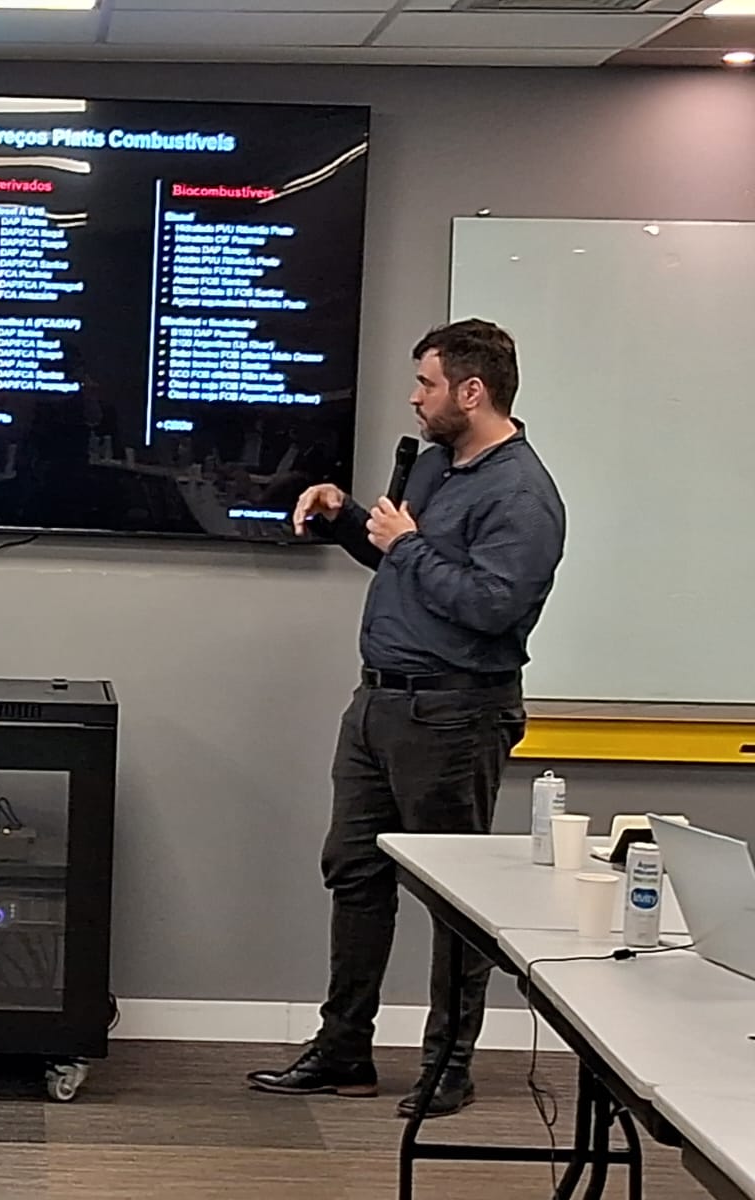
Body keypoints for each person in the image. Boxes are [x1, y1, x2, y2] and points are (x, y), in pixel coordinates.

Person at [246, 319, 565, 1119]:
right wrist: (344, 516)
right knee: (354, 872)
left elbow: (492, 607)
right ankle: (344, 1049)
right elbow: (400, 560)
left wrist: (408, 543)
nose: (415, 399)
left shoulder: (523, 494)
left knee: (453, 897)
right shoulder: (435, 466)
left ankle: (448, 1065)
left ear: (472, 391)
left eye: (427, 384)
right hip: (379, 703)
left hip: (455, 713)